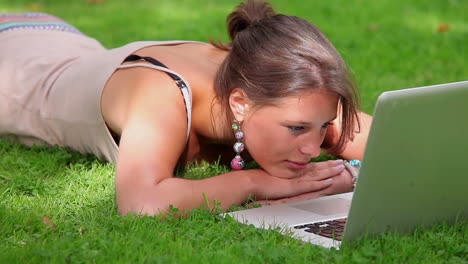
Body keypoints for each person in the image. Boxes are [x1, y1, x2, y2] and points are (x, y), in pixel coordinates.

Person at [0, 0, 372, 215]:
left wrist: (350, 171)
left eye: (322, 126)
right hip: (15, 69)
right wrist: (256, 182)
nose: (313, 147)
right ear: (239, 103)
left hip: (63, 41)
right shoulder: (159, 94)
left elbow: (394, 138)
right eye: (296, 129)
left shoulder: (279, 88)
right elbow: (141, 203)